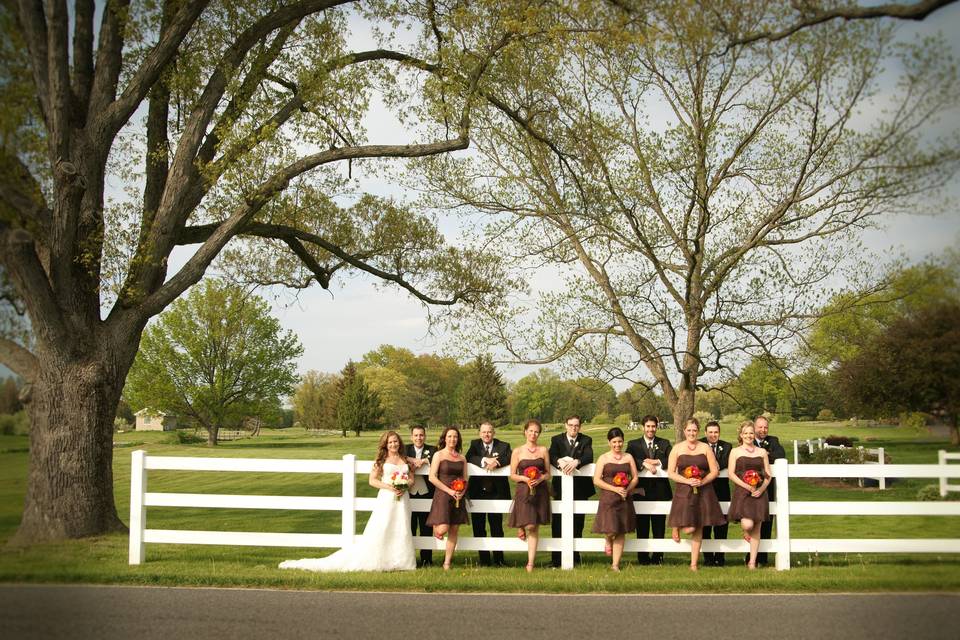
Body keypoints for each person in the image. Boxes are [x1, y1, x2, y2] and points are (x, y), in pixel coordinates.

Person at [279, 431, 415, 572]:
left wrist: (404, 486)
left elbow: (411, 478)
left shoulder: (405, 459)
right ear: (385, 445)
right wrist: (390, 487)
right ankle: (381, 560)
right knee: (383, 527)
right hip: (387, 498)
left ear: (400, 442)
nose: (393, 444)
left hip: (402, 499)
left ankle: (400, 561)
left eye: (395, 441)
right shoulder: (381, 460)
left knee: (401, 527)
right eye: (390, 442)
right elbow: (372, 480)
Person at [667, 418, 726, 571]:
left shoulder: (705, 447)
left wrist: (702, 481)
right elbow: (671, 473)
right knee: (689, 529)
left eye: (694, 430)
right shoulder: (677, 448)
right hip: (684, 491)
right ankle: (677, 526)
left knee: (698, 527)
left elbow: (715, 471)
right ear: (684, 431)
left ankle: (693, 564)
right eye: (689, 430)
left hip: (703, 491)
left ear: (698, 432)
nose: (692, 433)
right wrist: (687, 481)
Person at [549, 414, 594, 567]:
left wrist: (577, 461)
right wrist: (558, 461)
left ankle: (575, 558)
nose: (573, 428)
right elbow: (551, 454)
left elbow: (589, 455)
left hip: (581, 488)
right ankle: (556, 559)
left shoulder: (586, 440)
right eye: (571, 425)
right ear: (565, 425)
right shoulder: (556, 439)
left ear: (580, 427)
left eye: (576, 425)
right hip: (560, 488)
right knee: (557, 524)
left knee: (578, 524)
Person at [626, 414, 671, 565]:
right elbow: (627, 459)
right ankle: (643, 558)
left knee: (659, 526)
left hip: (660, 491)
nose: (651, 429)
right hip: (641, 491)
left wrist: (657, 461)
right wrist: (643, 463)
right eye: (648, 426)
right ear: (643, 427)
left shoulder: (664, 443)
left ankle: (658, 557)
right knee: (642, 525)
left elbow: (671, 459)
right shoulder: (633, 444)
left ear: (656, 427)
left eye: (653, 426)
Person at [727, 420, 773, 569]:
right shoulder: (735, 451)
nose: (749, 436)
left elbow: (768, 475)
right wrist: (746, 486)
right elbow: (731, 474)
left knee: (757, 529)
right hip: (743, 493)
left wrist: (762, 488)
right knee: (748, 524)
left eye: (751, 433)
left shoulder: (762, 452)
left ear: (754, 435)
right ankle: (745, 531)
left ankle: (752, 562)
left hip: (759, 494)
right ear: (741, 435)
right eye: (746, 433)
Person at [466, 421, 512, 566]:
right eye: (484, 432)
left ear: (494, 433)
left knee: (496, 527)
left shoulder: (503, 446)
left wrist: (497, 462)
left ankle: (499, 560)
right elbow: (469, 458)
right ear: (480, 433)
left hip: (497, 493)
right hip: (477, 492)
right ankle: (484, 560)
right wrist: (485, 459)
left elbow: (509, 457)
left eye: (489, 432)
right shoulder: (474, 445)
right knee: (479, 527)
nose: (486, 434)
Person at [592, 427, 639, 572]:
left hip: (624, 498)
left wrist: (627, 489)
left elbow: (635, 477)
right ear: (609, 442)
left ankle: (615, 565)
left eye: (620, 442)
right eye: (614, 442)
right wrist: (614, 489)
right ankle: (607, 539)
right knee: (610, 529)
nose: (617, 445)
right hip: (608, 498)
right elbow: (596, 480)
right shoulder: (604, 458)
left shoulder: (628, 457)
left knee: (620, 531)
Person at [508, 419, 551, 572]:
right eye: (531, 431)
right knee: (529, 523)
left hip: (540, 491)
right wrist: (525, 479)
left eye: (536, 431)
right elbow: (512, 475)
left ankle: (530, 563)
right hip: (523, 490)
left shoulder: (543, 450)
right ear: (525, 432)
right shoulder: (517, 451)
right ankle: (521, 526)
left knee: (533, 526)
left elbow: (548, 474)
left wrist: (540, 478)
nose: (533, 434)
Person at [426, 426, 469, 570]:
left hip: (458, 496)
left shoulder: (462, 458)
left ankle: (447, 562)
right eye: (450, 436)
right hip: (443, 494)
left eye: (455, 437)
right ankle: (435, 528)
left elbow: (465, 478)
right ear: (445, 438)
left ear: (458, 439)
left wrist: (462, 492)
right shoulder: (438, 455)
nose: (452, 439)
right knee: (443, 529)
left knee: (454, 529)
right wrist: (449, 491)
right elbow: (432, 477)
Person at [753, 415, 785, 566]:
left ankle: (763, 558)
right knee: (751, 523)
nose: (763, 430)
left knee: (766, 521)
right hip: (750, 487)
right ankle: (750, 556)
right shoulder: (748, 439)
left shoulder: (773, 441)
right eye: (760, 427)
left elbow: (780, 455)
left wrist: (764, 454)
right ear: (754, 427)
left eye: (765, 427)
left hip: (768, 488)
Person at [700, 420, 731, 566]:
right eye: (710, 432)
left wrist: (717, 464)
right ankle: (708, 558)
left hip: (722, 491)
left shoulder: (726, 446)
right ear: (705, 433)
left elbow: (727, 461)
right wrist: (712, 465)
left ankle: (720, 557)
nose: (713, 435)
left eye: (716, 432)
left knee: (722, 525)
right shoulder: (700, 444)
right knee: (705, 525)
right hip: (704, 490)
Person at [405, 425, 437, 567]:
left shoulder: (432, 450)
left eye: (421, 435)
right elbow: (399, 457)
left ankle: (426, 560)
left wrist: (423, 461)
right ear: (411, 437)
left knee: (426, 527)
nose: (419, 438)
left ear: (425, 436)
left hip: (426, 494)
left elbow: (437, 459)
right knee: (409, 527)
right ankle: (409, 558)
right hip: (409, 494)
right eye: (416, 435)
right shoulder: (405, 449)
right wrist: (412, 459)